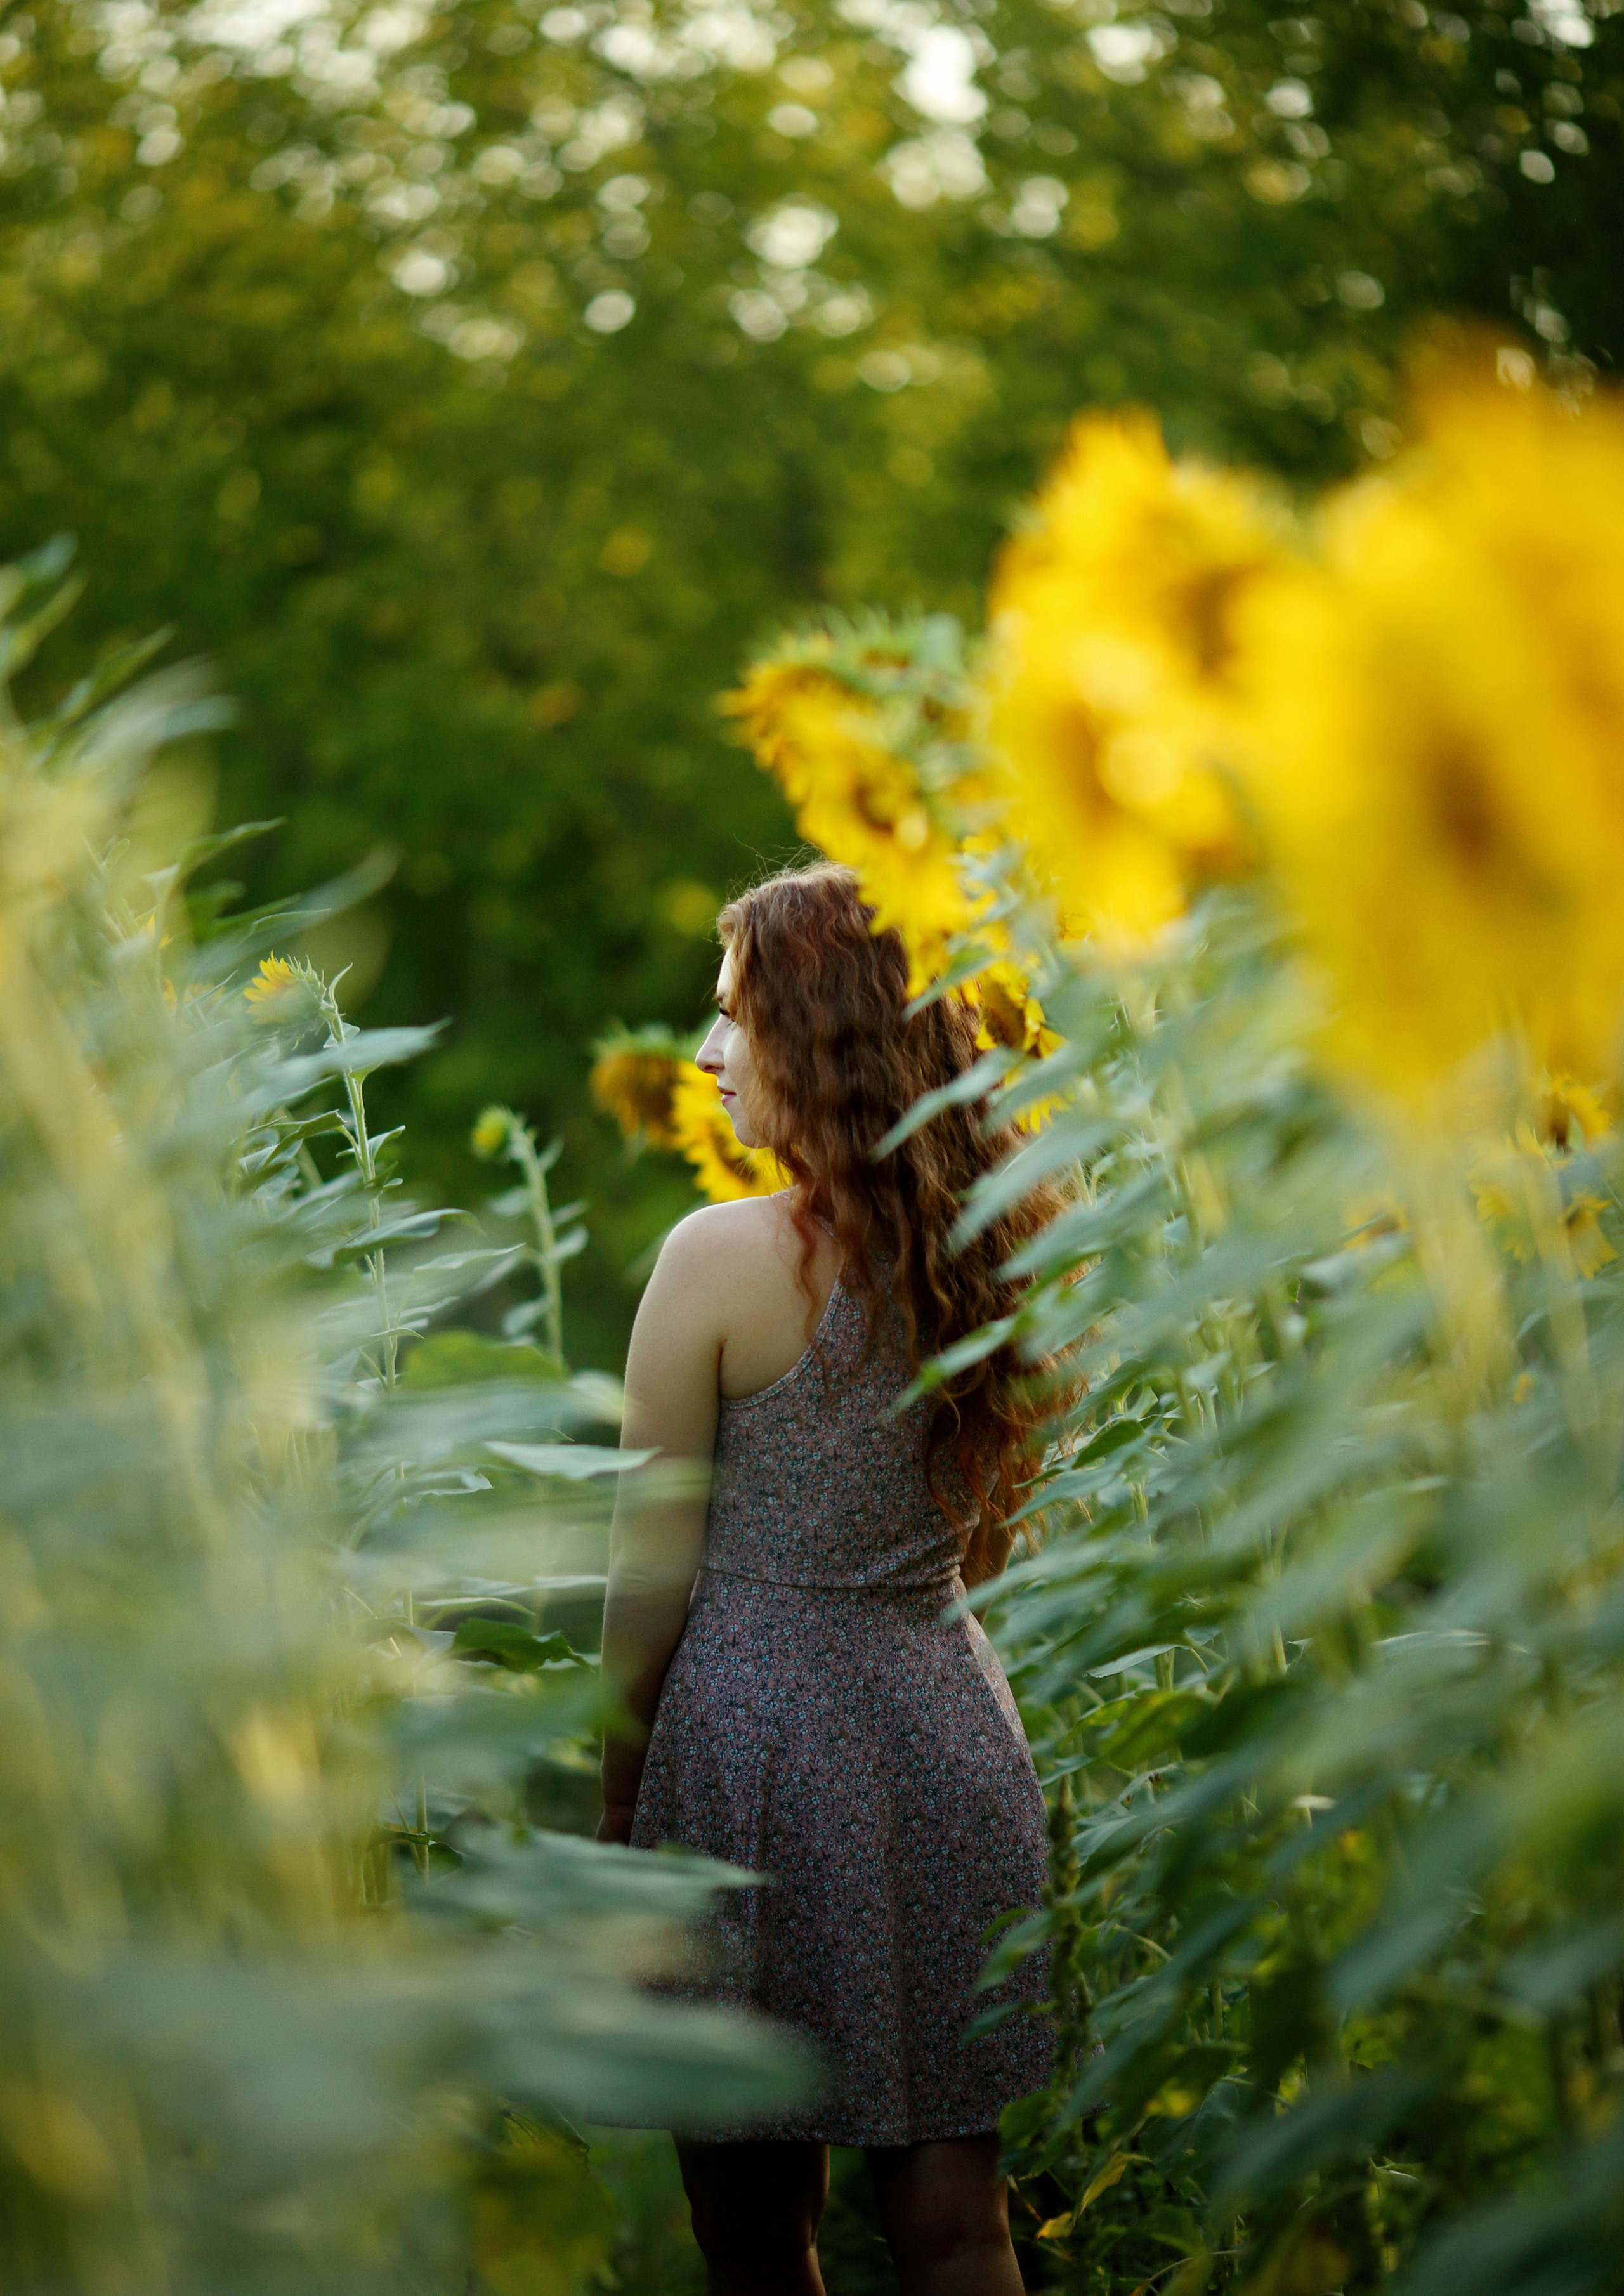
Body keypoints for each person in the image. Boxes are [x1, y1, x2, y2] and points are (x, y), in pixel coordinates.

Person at [598, 864, 1059, 2296]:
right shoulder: (997, 1252)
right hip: (945, 1735)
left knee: (753, 2231)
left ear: (815, 1035)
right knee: (956, 2225)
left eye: (732, 1016)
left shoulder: (715, 1260)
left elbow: (648, 1563)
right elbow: (975, 1544)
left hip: (747, 1760)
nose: (705, 1055)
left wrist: (615, 1786)